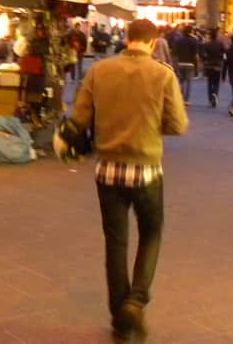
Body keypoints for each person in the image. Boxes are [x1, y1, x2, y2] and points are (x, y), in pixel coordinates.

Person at [66, 19, 189, 343]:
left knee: (115, 243)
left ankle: (120, 318)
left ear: (127, 39)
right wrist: (149, 125)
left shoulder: (99, 71)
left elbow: (78, 118)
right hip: (146, 169)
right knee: (151, 233)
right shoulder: (163, 74)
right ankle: (136, 301)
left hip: (107, 169)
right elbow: (178, 125)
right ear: (152, 42)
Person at [169, 25, 199, 105]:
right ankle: (186, 99)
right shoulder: (194, 40)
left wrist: (175, 63)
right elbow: (196, 54)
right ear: (191, 31)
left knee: (181, 81)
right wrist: (197, 65)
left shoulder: (178, 40)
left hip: (180, 62)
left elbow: (174, 53)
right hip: (190, 63)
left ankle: (180, 97)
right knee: (189, 82)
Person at [200, 28, 226, 108]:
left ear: (210, 36)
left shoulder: (207, 44)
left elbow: (202, 54)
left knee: (210, 82)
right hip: (217, 65)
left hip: (209, 65)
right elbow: (224, 54)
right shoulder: (220, 44)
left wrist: (205, 60)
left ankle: (210, 98)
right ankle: (215, 93)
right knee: (216, 81)